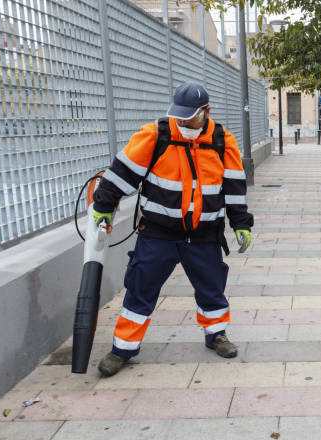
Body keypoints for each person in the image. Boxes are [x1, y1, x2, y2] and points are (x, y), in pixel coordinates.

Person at [91, 82, 253, 377]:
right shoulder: (156, 135)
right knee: (140, 288)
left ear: (206, 111)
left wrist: (241, 224)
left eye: (191, 115)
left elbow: (234, 187)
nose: (184, 120)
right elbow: (122, 173)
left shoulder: (222, 140)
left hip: (204, 234)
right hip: (158, 233)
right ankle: (123, 349)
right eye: (180, 114)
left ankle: (216, 334)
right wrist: (103, 205)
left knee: (212, 288)